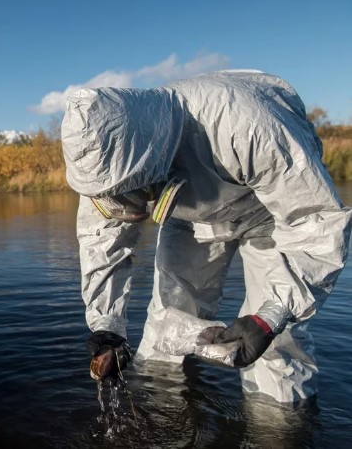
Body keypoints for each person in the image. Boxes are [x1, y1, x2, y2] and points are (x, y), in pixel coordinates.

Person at [61, 70, 352, 403]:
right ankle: (163, 412)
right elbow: (102, 242)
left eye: (132, 194)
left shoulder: (248, 125)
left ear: (150, 158)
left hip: (271, 216)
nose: (126, 207)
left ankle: (280, 429)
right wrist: (107, 324)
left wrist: (270, 317)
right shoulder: (98, 165)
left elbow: (315, 221)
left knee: (275, 339)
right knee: (168, 321)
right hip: (189, 214)